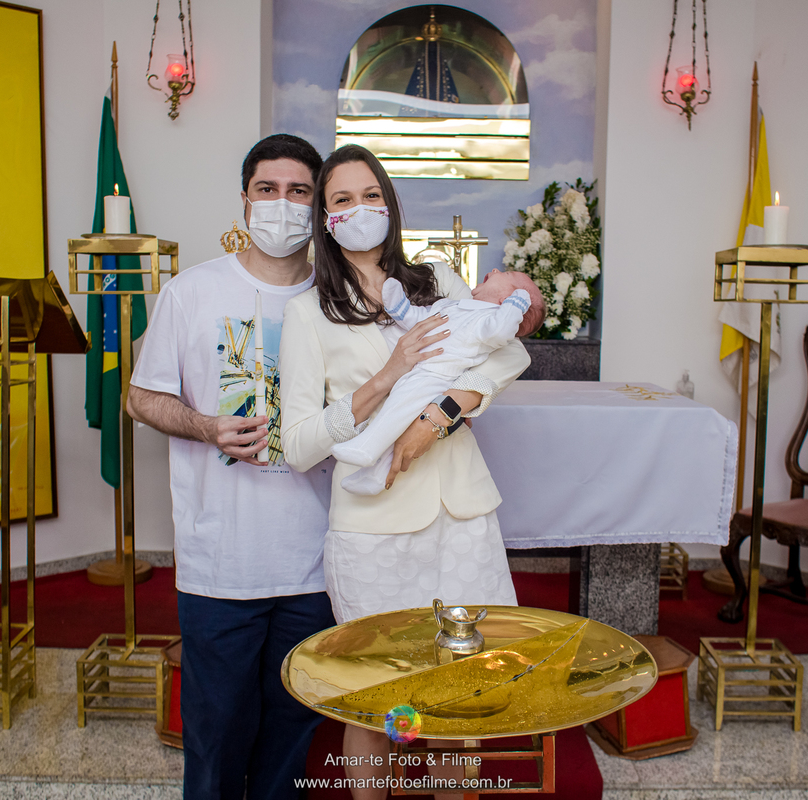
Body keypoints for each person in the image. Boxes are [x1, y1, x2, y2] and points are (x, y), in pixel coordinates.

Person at [278, 144, 531, 798]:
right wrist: (388, 379)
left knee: (459, 697)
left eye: (371, 195)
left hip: (460, 519)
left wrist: (435, 418)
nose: (360, 209)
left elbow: (503, 361)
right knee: (375, 700)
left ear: (389, 204)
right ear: (325, 219)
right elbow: (301, 443)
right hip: (373, 530)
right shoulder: (307, 313)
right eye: (341, 199)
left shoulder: (437, 281)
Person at [126, 133, 335, 800]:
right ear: (244, 200)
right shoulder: (193, 292)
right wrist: (206, 424)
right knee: (215, 747)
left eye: (299, 191)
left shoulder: (339, 300)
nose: (282, 204)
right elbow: (140, 396)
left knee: (292, 749)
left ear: (318, 207)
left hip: (314, 561)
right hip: (220, 564)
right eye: (267, 190)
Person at [333, 271, 546, 495]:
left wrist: (515, 305)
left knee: (398, 408)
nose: (494, 271)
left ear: (508, 301)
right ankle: (375, 477)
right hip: (420, 370)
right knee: (402, 418)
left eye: (507, 274)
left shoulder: (491, 319)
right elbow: (421, 320)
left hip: (437, 376)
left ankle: (366, 446)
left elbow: (502, 332)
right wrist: (400, 308)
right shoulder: (455, 305)